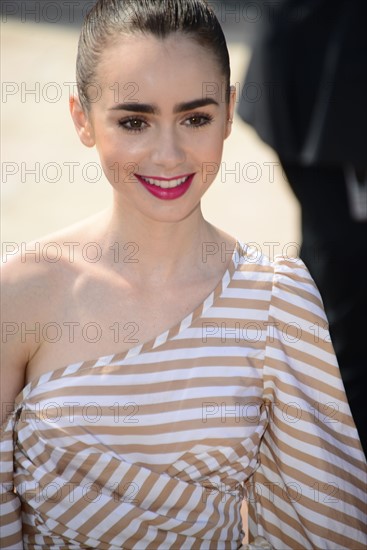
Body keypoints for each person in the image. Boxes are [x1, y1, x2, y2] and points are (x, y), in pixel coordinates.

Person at [0, 1, 366, 549]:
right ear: (81, 118)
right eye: (133, 121)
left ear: (228, 111)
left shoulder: (277, 299)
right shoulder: (20, 291)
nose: (168, 155)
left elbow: (321, 528)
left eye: (195, 118)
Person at [237, 0, 367, 454]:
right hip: (323, 83)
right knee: (341, 275)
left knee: (328, 269)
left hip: (323, 76)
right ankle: (331, 450)